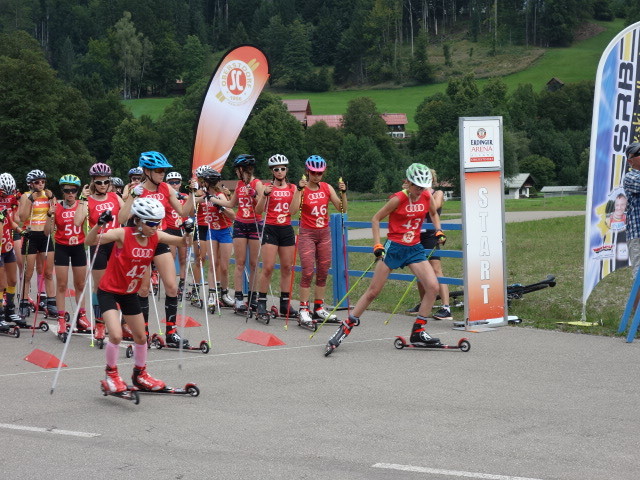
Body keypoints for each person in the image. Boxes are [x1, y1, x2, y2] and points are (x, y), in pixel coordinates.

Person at [325, 163, 445, 354]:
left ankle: (418, 331)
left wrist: (438, 230)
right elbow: (375, 219)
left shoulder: (426, 196)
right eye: (416, 186)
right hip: (394, 248)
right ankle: (344, 327)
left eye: (422, 187)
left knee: (432, 287)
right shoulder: (398, 199)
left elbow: (432, 213)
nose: (418, 191)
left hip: (414, 248)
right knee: (373, 292)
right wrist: (377, 244)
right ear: (407, 182)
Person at [86, 197, 192, 393]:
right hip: (108, 291)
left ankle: (140, 374)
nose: (155, 227)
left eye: (157, 223)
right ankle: (111, 375)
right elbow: (89, 241)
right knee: (116, 335)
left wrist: (188, 230)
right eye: (151, 223)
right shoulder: (122, 234)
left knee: (141, 338)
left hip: (128, 293)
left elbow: (184, 242)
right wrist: (99, 224)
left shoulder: (155, 236)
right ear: (139, 220)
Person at [118, 151, 194, 347]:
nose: (162, 173)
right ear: (147, 171)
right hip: (140, 242)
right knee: (143, 290)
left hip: (158, 240)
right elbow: (121, 218)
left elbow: (184, 211)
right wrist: (131, 198)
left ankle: (171, 332)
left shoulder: (166, 188)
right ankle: (142, 331)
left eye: (164, 170)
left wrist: (193, 192)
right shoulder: (138, 189)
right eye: (159, 170)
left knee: (171, 285)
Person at [206, 154, 264, 313]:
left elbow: (263, 205)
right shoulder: (239, 184)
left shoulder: (257, 183)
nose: (236, 173)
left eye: (237, 170)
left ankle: (253, 297)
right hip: (240, 224)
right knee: (240, 263)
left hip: (255, 224)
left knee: (253, 264)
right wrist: (214, 199)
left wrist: (254, 195)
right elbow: (231, 203)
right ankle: (239, 298)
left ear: (242, 169)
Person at [296, 155, 347, 328]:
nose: (317, 176)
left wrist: (343, 193)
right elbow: (292, 210)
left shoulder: (326, 187)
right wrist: (298, 190)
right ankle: (303, 309)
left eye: (320, 173)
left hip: (324, 234)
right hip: (307, 234)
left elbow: (342, 209)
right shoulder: (303, 189)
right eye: (313, 172)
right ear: (307, 171)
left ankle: (318, 307)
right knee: (308, 271)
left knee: (324, 270)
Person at [75, 163, 124, 340]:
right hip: (98, 244)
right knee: (101, 286)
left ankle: (121, 323)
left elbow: (126, 214)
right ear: (93, 182)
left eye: (105, 181)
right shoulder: (88, 200)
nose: (103, 185)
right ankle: (100, 324)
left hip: (116, 244)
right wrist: (81, 199)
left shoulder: (115, 197)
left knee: (119, 284)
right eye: (99, 182)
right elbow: (77, 221)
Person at [254, 154, 302, 320]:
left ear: (286, 170)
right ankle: (261, 303)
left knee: (287, 267)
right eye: (276, 169)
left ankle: (285, 303)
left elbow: (294, 210)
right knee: (267, 267)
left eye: (282, 168)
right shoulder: (267, 187)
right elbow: (259, 211)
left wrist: (299, 193)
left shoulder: (292, 188)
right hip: (271, 228)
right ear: (272, 171)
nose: (280, 171)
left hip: (286, 229)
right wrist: (264, 195)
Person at [45, 175, 89, 335]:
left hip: (78, 247)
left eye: (74, 190)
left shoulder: (82, 205)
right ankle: (61, 319)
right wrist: (49, 215)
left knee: (80, 285)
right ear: (62, 191)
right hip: (62, 248)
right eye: (67, 190)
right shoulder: (56, 207)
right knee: (62, 285)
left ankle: (82, 316)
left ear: (77, 191)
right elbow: (47, 232)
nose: (70, 193)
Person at [406, 168, 451, 320]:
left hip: (431, 235)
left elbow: (434, 207)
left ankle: (446, 307)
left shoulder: (436, 193)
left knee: (436, 269)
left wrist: (421, 193)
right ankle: (424, 303)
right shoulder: (415, 194)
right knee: (420, 271)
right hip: (417, 235)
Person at [190, 167, 235, 310]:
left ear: (209, 182)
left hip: (224, 231)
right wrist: (195, 198)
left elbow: (233, 215)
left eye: (204, 181)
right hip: (211, 231)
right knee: (212, 264)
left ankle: (224, 293)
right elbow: (191, 207)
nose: (202, 184)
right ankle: (211, 293)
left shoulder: (220, 196)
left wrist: (220, 207)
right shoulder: (203, 195)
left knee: (224, 266)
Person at [17, 169, 57, 319]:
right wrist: (31, 200)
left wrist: (52, 197)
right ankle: (24, 303)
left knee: (48, 272)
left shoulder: (48, 195)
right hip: (31, 235)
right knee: (28, 274)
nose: (40, 184)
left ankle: (51, 303)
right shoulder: (25, 196)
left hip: (45, 235)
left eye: (43, 181)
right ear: (30, 184)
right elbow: (22, 217)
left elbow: (54, 211)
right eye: (37, 182)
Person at [0, 173, 23, 326]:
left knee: (12, 280)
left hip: (8, 246)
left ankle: (10, 310)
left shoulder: (8, 204)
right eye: (4, 193)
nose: (7, 197)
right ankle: (1, 314)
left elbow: (12, 222)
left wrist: (22, 231)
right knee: (1, 284)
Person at [164, 171, 188, 297]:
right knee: (171, 257)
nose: (174, 185)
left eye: (176, 182)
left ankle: (182, 283)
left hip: (182, 230)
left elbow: (193, 203)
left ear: (180, 183)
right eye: (171, 183)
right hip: (170, 230)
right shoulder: (167, 197)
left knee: (183, 258)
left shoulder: (184, 196)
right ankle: (171, 282)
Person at [623, 142, 640, 308]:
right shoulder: (631, 177)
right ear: (630, 161)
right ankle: (638, 320)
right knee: (639, 278)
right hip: (638, 235)